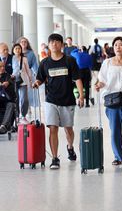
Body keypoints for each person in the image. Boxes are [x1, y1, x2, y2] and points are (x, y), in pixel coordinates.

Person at [33, 33, 84, 170]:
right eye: (52, 42)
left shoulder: (69, 61)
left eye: (57, 42)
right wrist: (36, 83)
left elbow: (77, 79)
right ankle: (55, 158)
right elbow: (40, 78)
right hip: (51, 100)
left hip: (67, 100)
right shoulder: (45, 62)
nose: (54, 44)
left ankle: (70, 147)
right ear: (48, 45)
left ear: (62, 45)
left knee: (68, 130)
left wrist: (81, 95)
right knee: (53, 128)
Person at [95, 36, 122, 173]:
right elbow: (102, 80)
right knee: (115, 131)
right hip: (112, 101)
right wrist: (98, 85)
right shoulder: (107, 63)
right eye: (116, 45)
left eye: (121, 45)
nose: (118, 47)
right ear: (112, 48)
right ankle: (118, 157)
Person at [17, 37, 39, 119]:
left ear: (27, 43)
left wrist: (37, 75)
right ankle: (19, 112)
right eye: (21, 42)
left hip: (27, 76)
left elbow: (34, 65)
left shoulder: (31, 54)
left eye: (25, 42)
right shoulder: (15, 53)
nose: (23, 43)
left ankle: (27, 109)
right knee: (19, 96)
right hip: (17, 77)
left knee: (26, 95)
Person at [11, 43, 32, 124]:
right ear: (13, 50)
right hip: (13, 81)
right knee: (16, 99)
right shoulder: (11, 58)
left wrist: (30, 80)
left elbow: (28, 70)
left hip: (23, 81)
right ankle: (16, 116)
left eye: (19, 48)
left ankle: (23, 115)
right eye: (16, 48)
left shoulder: (24, 59)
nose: (17, 50)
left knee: (24, 99)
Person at [0, 62, 16, 134]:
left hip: (7, 100)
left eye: (3, 66)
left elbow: (9, 83)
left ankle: (3, 126)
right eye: (0, 67)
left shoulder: (7, 76)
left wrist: (7, 84)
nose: (2, 68)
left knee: (11, 104)